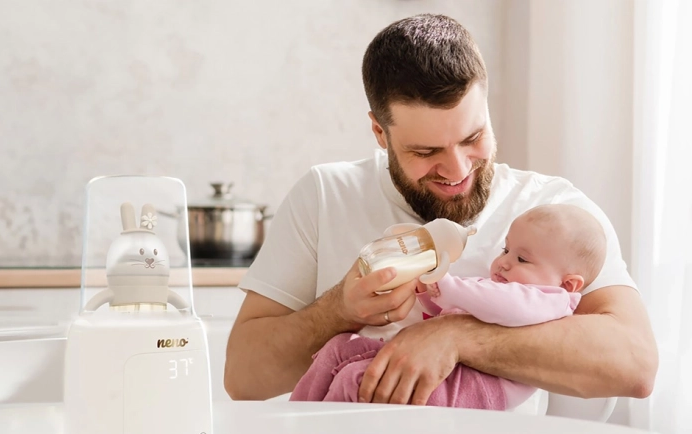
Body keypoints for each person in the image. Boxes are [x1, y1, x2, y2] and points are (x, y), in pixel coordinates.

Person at [225, 13, 657, 406]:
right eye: (426, 151)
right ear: (380, 131)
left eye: (473, 138)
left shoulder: (553, 213)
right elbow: (243, 377)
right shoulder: (325, 195)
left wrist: (457, 336)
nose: (457, 170)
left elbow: (635, 365)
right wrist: (339, 310)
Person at [289, 204, 604, 411]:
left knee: (356, 380)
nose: (504, 262)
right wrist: (427, 292)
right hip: (448, 371)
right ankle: (298, 420)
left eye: (522, 258)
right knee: (339, 348)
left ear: (569, 283)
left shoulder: (552, 300)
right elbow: (452, 311)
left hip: (475, 388)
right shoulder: (497, 286)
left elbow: (506, 307)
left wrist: (448, 285)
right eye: (505, 249)